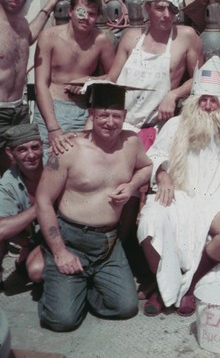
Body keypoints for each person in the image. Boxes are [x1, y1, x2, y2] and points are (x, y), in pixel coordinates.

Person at [137, 56, 220, 317]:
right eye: (202, 100)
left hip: (215, 201)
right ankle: (162, 285)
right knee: (149, 221)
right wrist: (163, 175)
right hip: (179, 195)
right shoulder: (175, 125)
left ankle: (189, 285)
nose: (207, 106)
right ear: (193, 102)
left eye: (213, 100)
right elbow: (156, 157)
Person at [35, 83, 152, 332]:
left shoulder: (131, 143)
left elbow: (147, 167)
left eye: (116, 116)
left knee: (125, 307)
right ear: (91, 116)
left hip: (108, 245)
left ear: (124, 117)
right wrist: (59, 252)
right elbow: (43, 200)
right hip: (70, 240)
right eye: (103, 115)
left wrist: (131, 186)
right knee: (61, 321)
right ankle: (61, 287)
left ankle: (78, 288)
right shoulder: (69, 149)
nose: (110, 122)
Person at [107, 0, 203, 140]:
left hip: (157, 128)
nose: (167, 15)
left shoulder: (186, 36)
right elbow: (112, 78)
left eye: (172, 9)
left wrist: (174, 94)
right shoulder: (131, 37)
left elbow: (201, 77)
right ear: (147, 8)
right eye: (160, 8)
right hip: (120, 124)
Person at [33, 0, 115, 158]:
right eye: (81, 12)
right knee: (50, 163)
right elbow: (40, 84)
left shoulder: (101, 40)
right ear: (70, 11)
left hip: (83, 113)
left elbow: (115, 76)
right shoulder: (49, 36)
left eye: (92, 14)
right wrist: (53, 127)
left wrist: (90, 80)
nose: (86, 18)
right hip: (52, 109)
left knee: (81, 164)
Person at [0, 0, 63, 174]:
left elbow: (28, 37)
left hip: (18, 112)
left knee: (15, 170)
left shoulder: (20, 23)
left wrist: (50, 4)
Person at [0, 124, 45, 288]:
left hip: (62, 233)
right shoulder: (9, 181)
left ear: (42, 145)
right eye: (22, 150)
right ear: (10, 153)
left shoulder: (55, 165)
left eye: (35, 147)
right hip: (33, 235)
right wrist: (40, 207)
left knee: (36, 271)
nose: (31, 155)